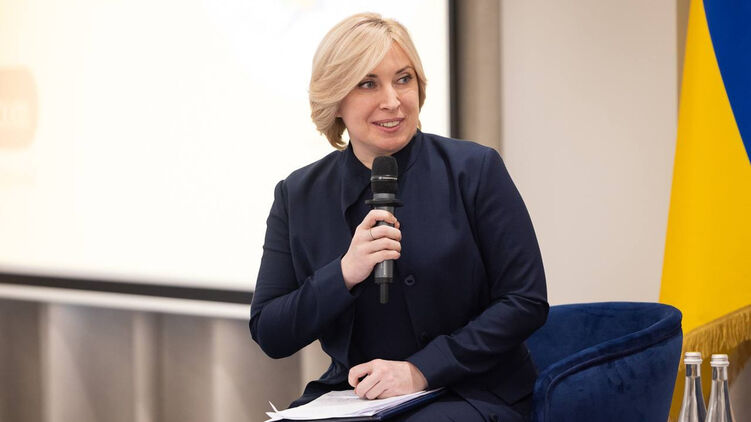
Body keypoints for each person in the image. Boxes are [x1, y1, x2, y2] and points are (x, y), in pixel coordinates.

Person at [250, 12, 548, 422]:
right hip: (358, 396)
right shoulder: (297, 195)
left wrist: (420, 370)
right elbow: (271, 331)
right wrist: (344, 272)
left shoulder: (474, 169)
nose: (392, 100)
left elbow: (525, 301)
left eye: (403, 79)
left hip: (473, 389)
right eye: (368, 83)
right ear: (335, 98)